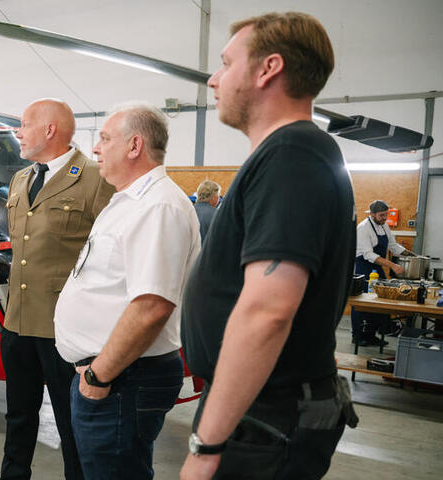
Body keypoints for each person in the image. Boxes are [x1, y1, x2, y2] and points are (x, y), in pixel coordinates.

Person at [180, 12, 358, 480]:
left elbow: (267, 311)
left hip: (265, 420)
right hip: (261, 408)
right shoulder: (292, 154)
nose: (214, 80)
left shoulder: (290, 154)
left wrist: (206, 444)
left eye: (225, 63)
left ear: (267, 69)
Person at [54, 102, 201, 479]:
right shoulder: (128, 200)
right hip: (114, 377)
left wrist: (97, 377)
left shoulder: (158, 207)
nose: (96, 148)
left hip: (123, 379)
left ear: (134, 146)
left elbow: (152, 306)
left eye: (104, 139)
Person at [1, 98, 114, 480]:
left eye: (24, 123)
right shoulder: (21, 179)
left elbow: (111, 257)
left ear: (50, 130)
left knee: (72, 425)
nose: (18, 131)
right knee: (17, 416)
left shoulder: (96, 178)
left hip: (64, 332)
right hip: (17, 323)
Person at [352, 199, 413, 346]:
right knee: (362, 302)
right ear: (372, 214)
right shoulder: (363, 228)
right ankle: (358, 336)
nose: (385, 218)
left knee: (380, 301)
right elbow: (368, 254)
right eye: (381, 215)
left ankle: (371, 335)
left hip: (377, 268)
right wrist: (392, 265)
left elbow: (392, 245)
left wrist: (411, 255)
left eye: (386, 214)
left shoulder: (384, 226)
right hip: (363, 268)